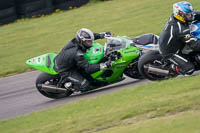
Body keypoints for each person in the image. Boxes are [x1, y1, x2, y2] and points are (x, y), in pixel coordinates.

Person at [159, 1, 200, 75]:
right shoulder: (180, 29)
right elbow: (195, 45)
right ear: (180, 14)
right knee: (189, 69)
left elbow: (196, 14)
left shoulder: (179, 17)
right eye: (188, 15)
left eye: (190, 13)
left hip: (178, 42)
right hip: (170, 52)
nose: (190, 16)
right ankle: (171, 68)